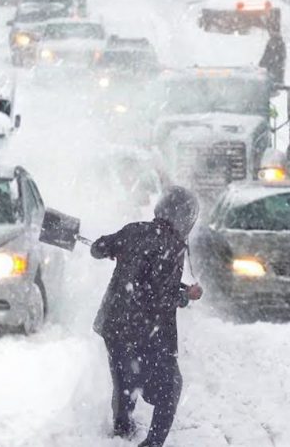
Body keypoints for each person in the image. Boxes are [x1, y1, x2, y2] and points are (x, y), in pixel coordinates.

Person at [91, 186, 203, 447]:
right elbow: (159, 296)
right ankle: (152, 442)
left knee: (124, 380)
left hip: (115, 322)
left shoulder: (134, 230)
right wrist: (186, 296)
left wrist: (112, 250)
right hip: (146, 327)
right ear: (185, 218)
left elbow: (97, 248)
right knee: (170, 386)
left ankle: (122, 430)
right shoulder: (172, 246)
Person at [259, 9, 286, 84]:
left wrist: (263, 65)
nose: (270, 32)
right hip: (271, 75)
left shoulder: (277, 44)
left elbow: (272, 59)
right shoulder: (274, 43)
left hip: (273, 77)